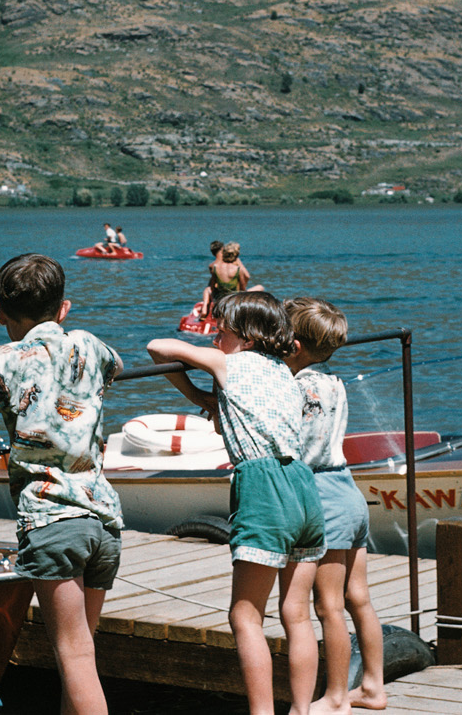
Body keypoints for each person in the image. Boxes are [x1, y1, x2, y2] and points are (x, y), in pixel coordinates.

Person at [0, 253, 124, 715]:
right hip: (103, 516)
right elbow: (114, 365)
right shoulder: (88, 343)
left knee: (73, 655)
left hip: (52, 520)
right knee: (83, 653)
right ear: (64, 308)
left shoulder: (8, 357)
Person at [147, 292, 325, 715]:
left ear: (244, 337)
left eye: (219, 331)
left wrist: (195, 395)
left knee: (246, 618)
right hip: (303, 483)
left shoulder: (230, 362)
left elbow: (158, 349)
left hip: (263, 487)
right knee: (297, 614)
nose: (213, 338)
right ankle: (302, 709)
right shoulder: (284, 371)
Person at [284, 297, 387, 715]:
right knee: (358, 597)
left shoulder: (297, 387)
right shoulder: (335, 380)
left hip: (322, 494)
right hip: (348, 488)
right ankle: (373, 687)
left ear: (293, 345)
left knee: (328, 605)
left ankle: (336, 696)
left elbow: (299, 446)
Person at [198, 240, 226, 318]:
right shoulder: (230, 263)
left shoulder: (212, 265)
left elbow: (214, 283)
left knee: (207, 290)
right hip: (231, 291)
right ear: (222, 249)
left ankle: (204, 311)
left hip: (221, 293)